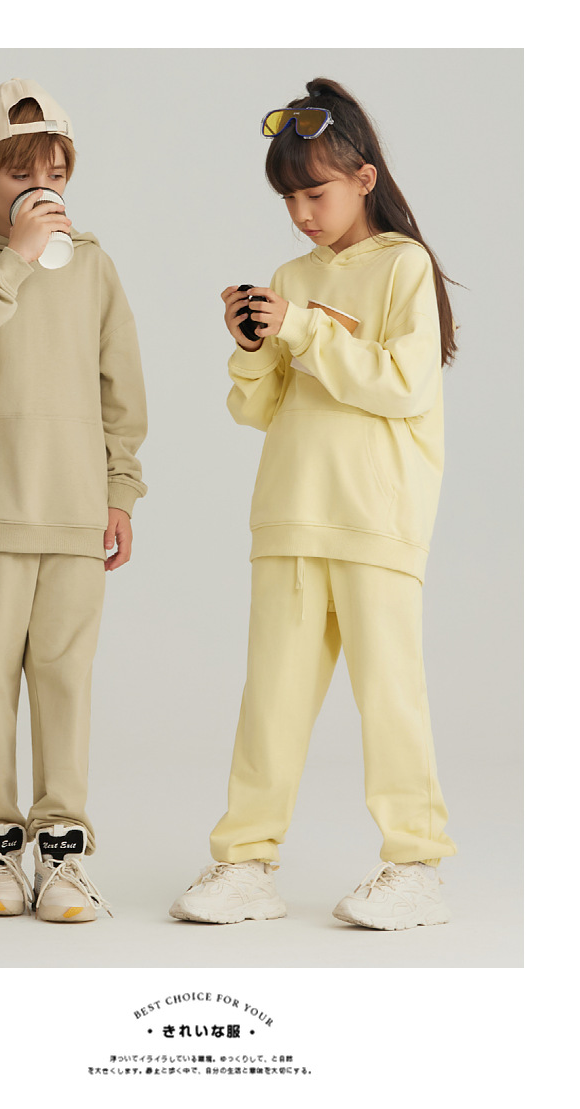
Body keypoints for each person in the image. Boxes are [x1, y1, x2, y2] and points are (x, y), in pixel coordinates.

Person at [169, 77, 458, 930]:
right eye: (288, 197)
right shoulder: (291, 276)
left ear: (365, 180)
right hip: (290, 514)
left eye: (315, 193)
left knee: (391, 697)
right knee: (271, 701)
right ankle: (245, 864)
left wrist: (301, 327)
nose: (301, 213)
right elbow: (258, 409)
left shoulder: (404, 266)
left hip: (377, 520)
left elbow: (403, 384)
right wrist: (254, 345)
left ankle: (416, 867)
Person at [0, 79, 147, 922]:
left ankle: (61, 854)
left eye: (54, 172)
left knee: (65, 684)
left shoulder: (93, 265)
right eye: (20, 174)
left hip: (74, 512)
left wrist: (119, 491)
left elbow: (122, 389)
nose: (40, 188)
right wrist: (14, 256)